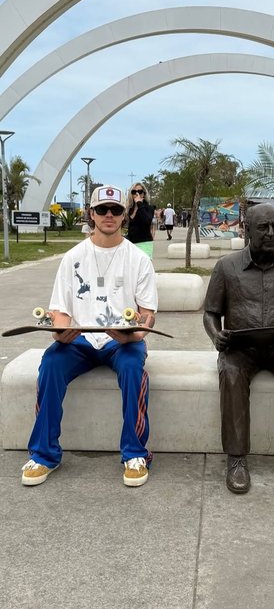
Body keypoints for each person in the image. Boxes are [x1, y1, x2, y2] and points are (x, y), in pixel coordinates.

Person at [21, 185, 158, 488]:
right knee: (50, 364)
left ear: (124, 215)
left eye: (116, 209)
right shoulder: (72, 257)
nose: (109, 215)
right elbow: (60, 310)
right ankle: (44, 454)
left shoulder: (138, 259)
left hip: (121, 341)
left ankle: (135, 453)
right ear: (91, 214)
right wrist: (60, 332)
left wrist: (133, 333)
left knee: (134, 369)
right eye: (102, 209)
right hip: (80, 339)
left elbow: (147, 314)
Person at [203, 203, 274, 494]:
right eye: (262, 227)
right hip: (241, 349)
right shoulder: (227, 267)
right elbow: (210, 313)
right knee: (231, 371)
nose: (270, 233)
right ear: (247, 230)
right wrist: (216, 336)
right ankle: (236, 458)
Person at [125, 182, 155, 258]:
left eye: (140, 191)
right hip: (131, 244)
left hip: (144, 243)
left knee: (144, 264)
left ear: (144, 194)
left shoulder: (149, 208)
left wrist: (139, 203)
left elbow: (147, 221)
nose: (137, 194)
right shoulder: (129, 209)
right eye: (134, 192)